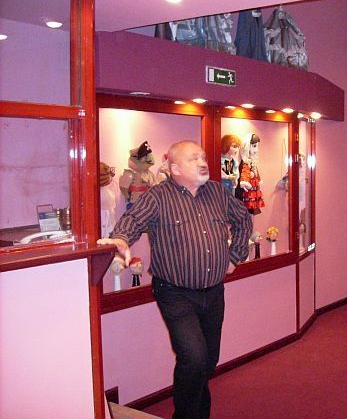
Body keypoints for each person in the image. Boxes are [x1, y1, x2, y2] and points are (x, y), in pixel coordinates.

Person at [98, 140, 252, 419]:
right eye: (194, 159)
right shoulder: (158, 196)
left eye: (203, 157)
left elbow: (243, 220)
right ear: (175, 168)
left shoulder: (218, 192)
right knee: (193, 356)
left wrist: (234, 257)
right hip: (175, 293)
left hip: (214, 291)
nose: (202, 162)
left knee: (207, 360)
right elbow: (133, 220)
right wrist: (120, 239)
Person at [235, 133, 265, 215]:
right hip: (247, 192)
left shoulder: (251, 162)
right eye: (254, 146)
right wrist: (245, 182)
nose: (257, 150)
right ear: (247, 146)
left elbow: (256, 173)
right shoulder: (245, 163)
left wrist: (257, 178)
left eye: (257, 146)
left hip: (252, 189)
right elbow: (244, 173)